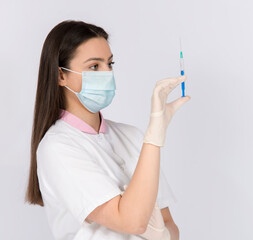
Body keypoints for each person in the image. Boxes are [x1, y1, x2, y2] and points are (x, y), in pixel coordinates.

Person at [25, 20, 191, 240]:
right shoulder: (57, 147)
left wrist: (163, 234)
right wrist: (154, 135)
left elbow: (170, 225)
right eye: (94, 66)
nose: (107, 73)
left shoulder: (131, 135)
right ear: (61, 76)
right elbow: (131, 221)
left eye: (110, 64)